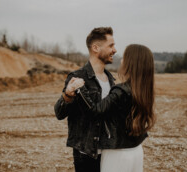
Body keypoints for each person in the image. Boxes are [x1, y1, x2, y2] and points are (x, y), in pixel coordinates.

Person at [67, 44, 156, 172]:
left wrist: (80, 89)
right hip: (136, 151)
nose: (121, 60)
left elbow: (95, 111)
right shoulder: (144, 91)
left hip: (117, 155)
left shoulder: (120, 91)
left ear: (131, 63)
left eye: (125, 57)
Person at [54, 27, 117, 172]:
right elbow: (59, 113)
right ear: (96, 48)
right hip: (87, 155)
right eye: (111, 45)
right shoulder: (77, 77)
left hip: (109, 153)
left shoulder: (111, 80)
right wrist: (68, 96)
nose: (115, 50)